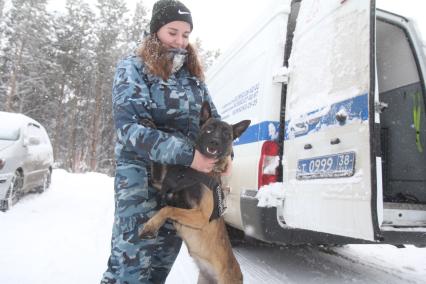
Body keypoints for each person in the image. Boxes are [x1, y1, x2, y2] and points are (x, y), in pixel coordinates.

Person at [101, 0, 224, 283]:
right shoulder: (133, 68)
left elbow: (214, 123)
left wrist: (224, 156)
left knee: (159, 267)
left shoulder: (193, 78)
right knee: (129, 269)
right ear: (156, 30)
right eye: (173, 32)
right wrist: (190, 155)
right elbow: (130, 130)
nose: (180, 41)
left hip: (180, 187)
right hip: (140, 184)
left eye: (186, 34)